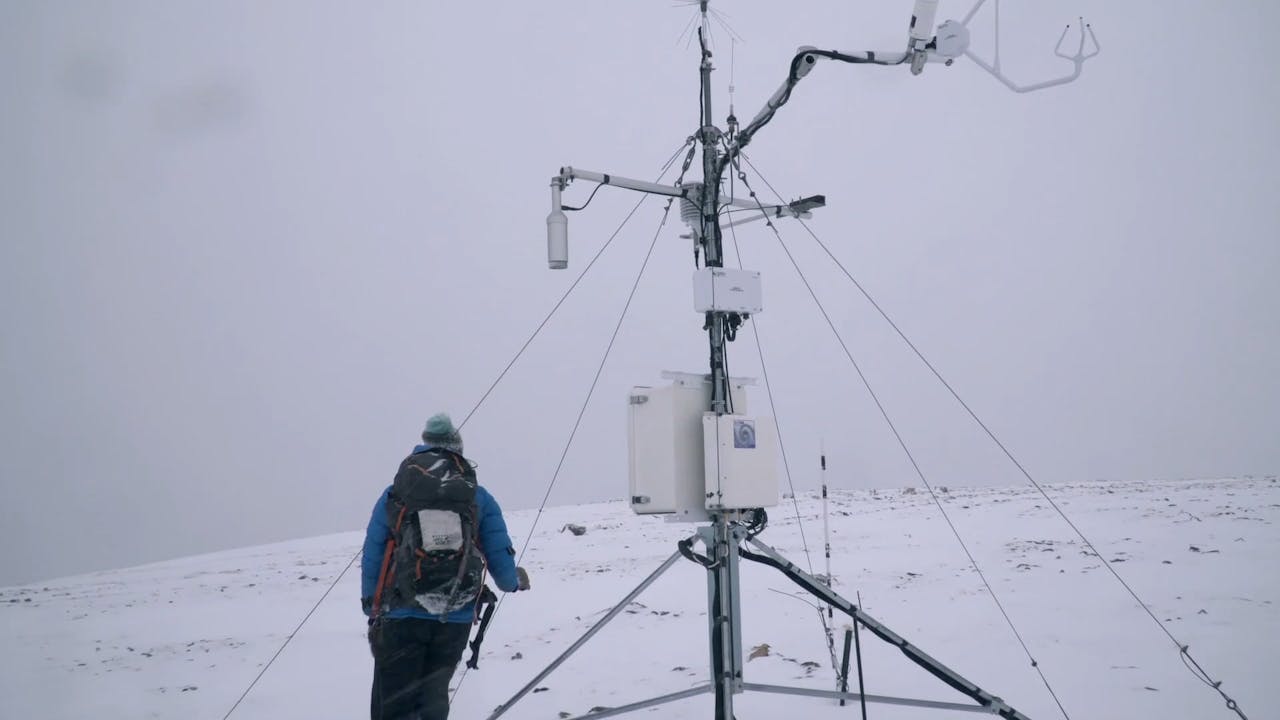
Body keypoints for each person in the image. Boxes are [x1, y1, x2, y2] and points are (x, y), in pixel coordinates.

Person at [361, 413, 529, 720]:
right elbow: (499, 557)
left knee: (395, 703)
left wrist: (371, 604)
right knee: (433, 698)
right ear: (457, 450)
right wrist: (512, 581)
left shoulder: (397, 493)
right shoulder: (477, 496)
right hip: (455, 615)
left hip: (400, 615)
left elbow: (374, 552)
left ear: (424, 446)